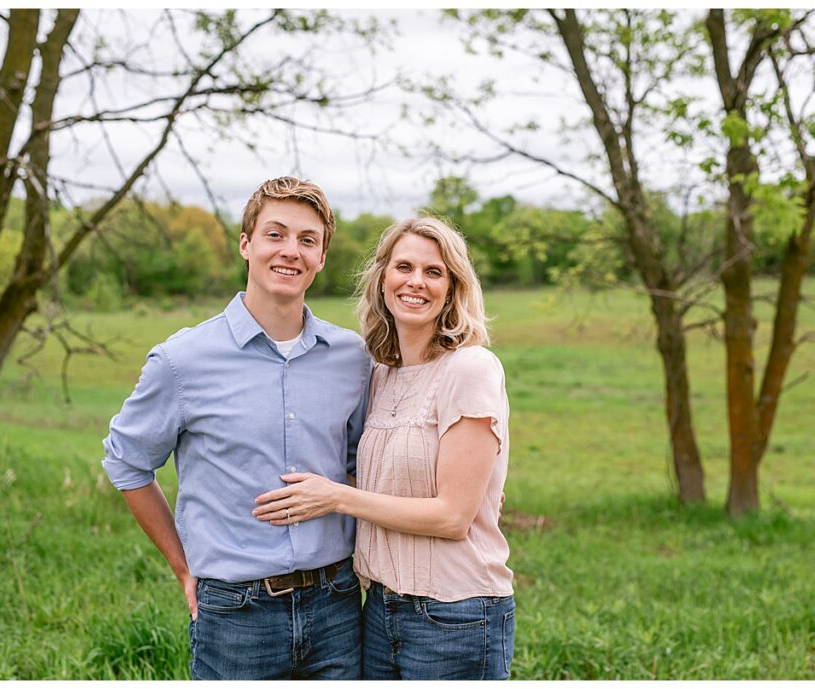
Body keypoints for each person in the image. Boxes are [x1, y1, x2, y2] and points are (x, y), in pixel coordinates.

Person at [101, 177, 372, 680]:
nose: (290, 251)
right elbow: (127, 463)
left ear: (321, 257)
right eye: (275, 234)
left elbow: (363, 465)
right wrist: (183, 567)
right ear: (246, 244)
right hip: (236, 614)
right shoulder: (182, 361)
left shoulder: (352, 358)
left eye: (307, 240)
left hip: (337, 605)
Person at [253, 216, 515, 680]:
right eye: (404, 267)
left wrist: (336, 497)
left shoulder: (470, 368)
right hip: (379, 608)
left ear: (453, 289)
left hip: (454, 614)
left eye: (434, 272)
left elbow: (453, 518)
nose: (416, 282)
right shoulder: (380, 374)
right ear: (382, 278)